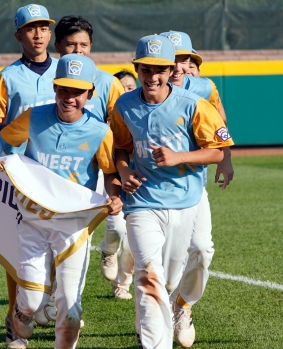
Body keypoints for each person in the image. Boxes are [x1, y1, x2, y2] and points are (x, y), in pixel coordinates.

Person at [0, 54, 123, 349]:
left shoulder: (100, 131)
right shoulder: (34, 117)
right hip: (32, 221)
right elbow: (1, 140)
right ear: (55, 88)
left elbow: (110, 172)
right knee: (32, 303)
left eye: (77, 92)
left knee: (70, 312)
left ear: (89, 94)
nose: (69, 98)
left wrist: (115, 195)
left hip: (73, 228)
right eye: (63, 89)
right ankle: (21, 311)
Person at [109, 34, 234, 348]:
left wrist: (180, 157)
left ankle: (182, 306)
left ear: (172, 69)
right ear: (136, 69)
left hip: (185, 200)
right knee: (150, 276)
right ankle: (152, 341)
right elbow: (120, 148)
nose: (153, 76)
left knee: (172, 277)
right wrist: (124, 172)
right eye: (146, 69)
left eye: (160, 69)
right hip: (141, 202)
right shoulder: (124, 104)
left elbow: (218, 150)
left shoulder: (193, 103)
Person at [0, 4, 57, 347]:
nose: (38, 34)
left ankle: (44, 296)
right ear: (18, 35)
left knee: (56, 242)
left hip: (56, 170)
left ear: (50, 33)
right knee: (17, 247)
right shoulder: (7, 77)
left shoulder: (65, 73)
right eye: (30, 28)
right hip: (18, 172)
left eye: (43, 28)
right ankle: (15, 313)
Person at [159, 30, 234, 348]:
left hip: (192, 186)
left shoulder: (204, 86)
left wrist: (225, 157)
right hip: (153, 192)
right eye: (173, 59)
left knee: (202, 250)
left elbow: (219, 119)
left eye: (185, 59)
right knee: (163, 270)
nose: (179, 65)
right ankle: (153, 319)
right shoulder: (143, 93)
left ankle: (183, 306)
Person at [52, 15, 129, 303]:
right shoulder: (54, 80)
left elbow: (122, 126)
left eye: (84, 44)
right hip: (64, 169)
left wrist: (122, 167)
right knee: (68, 238)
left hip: (102, 167)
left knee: (117, 226)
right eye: (71, 45)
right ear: (58, 45)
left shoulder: (107, 83)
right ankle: (67, 302)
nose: (78, 51)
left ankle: (109, 250)